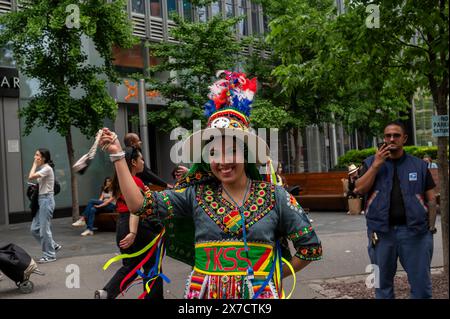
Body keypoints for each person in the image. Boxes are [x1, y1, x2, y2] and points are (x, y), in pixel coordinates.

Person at [98, 71, 322, 299]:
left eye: (231, 150)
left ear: (245, 153)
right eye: (214, 152)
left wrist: (274, 275)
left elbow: (310, 247)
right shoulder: (195, 195)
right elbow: (140, 204)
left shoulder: (275, 196)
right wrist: (117, 156)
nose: (222, 161)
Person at [355, 121, 437, 299]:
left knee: (422, 288)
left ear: (404, 139)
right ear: (383, 138)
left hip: (416, 234)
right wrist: (376, 165)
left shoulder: (420, 166)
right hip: (380, 235)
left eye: (396, 135)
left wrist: (430, 229)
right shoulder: (369, 163)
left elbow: (431, 199)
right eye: (388, 136)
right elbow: (359, 189)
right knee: (380, 287)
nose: (391, 139)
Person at [95, 147, 163, 299]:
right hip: (138, 225)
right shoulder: (135, 181)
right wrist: (133, 232)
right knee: (153, 266)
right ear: (133, 162)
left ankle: (107, 293)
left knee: (131, 264)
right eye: (141, 159)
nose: (143, 162)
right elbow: (136, 209)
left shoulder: (121, 182)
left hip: (122, 225)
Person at [28, 149, 62, 263]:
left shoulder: (47, 168)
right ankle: (53, 245)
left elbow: (30, 176)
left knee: (44, 229)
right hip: (42, 200)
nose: (35, 157)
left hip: (46, 200)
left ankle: (50, 255)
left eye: (37, 155)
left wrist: (34, 165)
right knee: (34, 229)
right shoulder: (44, 169)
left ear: (43, 158)